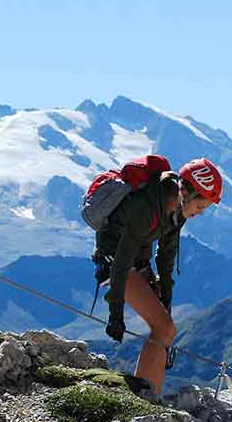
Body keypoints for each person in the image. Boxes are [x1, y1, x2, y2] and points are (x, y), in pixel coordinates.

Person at [94, 157, 223, 394]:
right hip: (114, 263)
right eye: (201, 206)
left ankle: (150, 395)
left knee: (166, 328)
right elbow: (122, 260)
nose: (199, 213)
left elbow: (165, 259)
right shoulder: (146, 205)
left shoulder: (177, 213)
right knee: (164, 329)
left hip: (136, 264)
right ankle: (145, 398)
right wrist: (116, 315)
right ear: (186, 192)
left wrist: (167, 303)